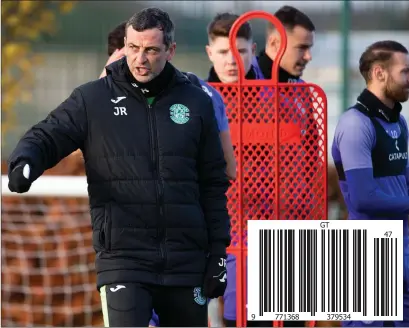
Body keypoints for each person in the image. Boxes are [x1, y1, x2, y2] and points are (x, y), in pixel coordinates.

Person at [7, 7, 231, 327]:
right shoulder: (93, 99)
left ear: (170, 50)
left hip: (187, 262)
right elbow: (49, 133)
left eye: (151, 50)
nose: (140, 58)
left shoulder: (196, 102)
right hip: (123, 259)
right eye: (133, 48)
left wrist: (218, 252)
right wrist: (26, 160)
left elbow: (213, 183)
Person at [332, 40, 409, 327]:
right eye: (405, 72)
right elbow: (364, 198)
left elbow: (404, 179)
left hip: (402, 247)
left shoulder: (399, 123)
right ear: (379, 73)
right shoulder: (355, 124)